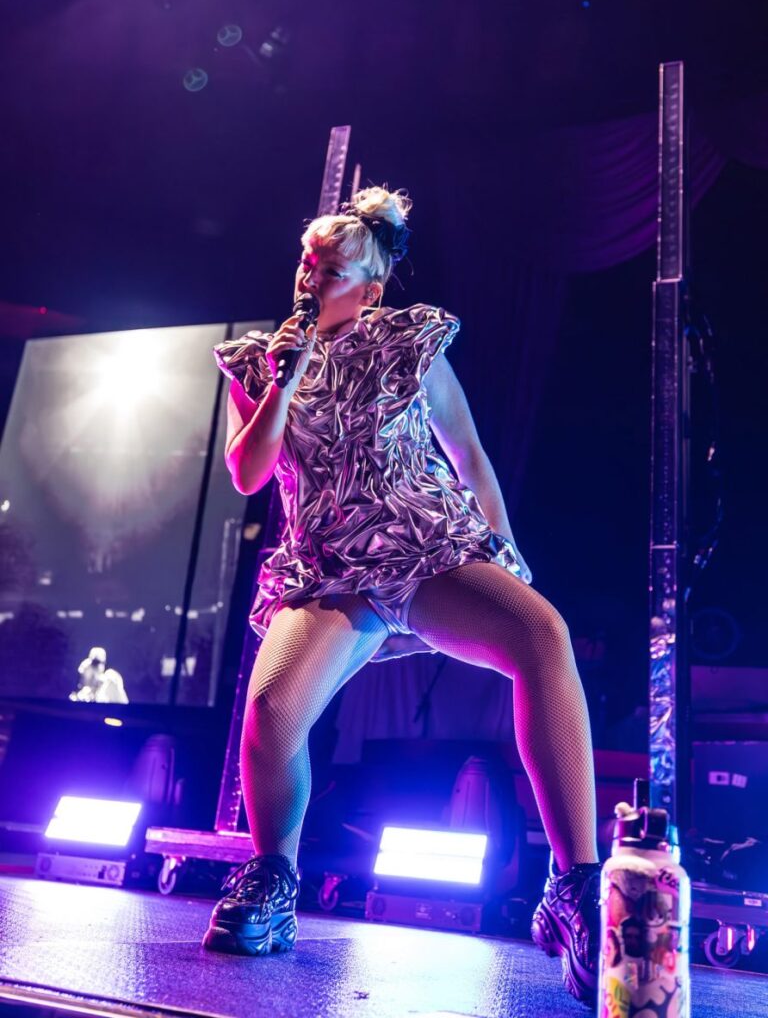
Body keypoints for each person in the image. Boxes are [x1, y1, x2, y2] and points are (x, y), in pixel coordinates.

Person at [204, 187, 600, 1005]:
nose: (310, 275)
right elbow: (249, 473)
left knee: (543, 636)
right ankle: (272, 882)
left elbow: (469, 454)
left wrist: (504, 547)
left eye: (331, 265)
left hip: (425, 546)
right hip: (330, 566)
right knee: (273, 713)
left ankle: (576, 890)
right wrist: (283, 382)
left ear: (370, 287)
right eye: (306, 260)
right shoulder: (259, 359)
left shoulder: (405, 344)